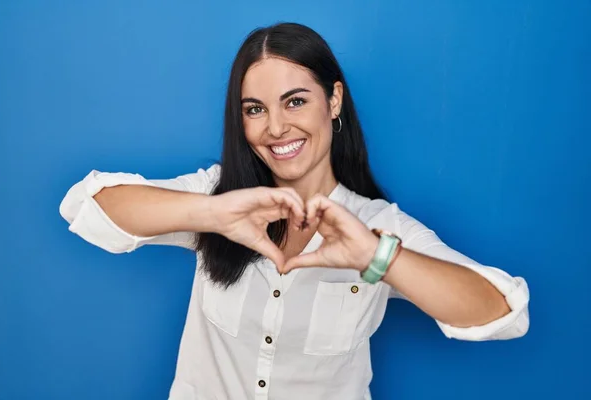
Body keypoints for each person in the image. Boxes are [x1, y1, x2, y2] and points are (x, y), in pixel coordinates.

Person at [59, 22, 530, 400]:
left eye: (296, 101)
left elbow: (503, 313)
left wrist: (374, 256)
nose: (276, 127)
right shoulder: (215, 193)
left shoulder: (380, 226)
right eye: (254, 109)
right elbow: (87, 204)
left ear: (335, 100)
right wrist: (212, 214)